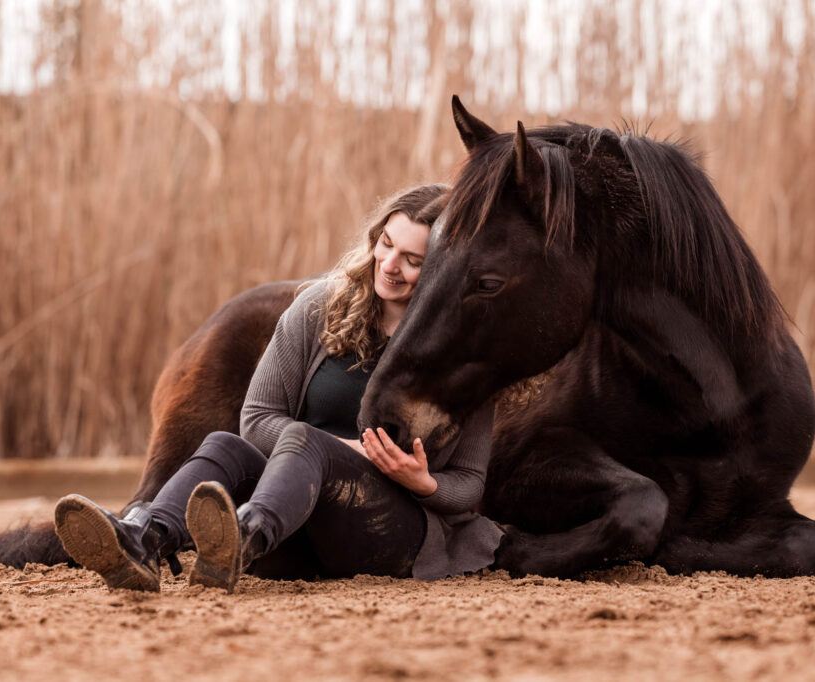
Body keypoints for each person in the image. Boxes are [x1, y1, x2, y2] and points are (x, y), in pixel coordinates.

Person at [53, 183, 503, 592]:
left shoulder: (466, 349)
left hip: (392, 528)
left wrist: (422, 481)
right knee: (225, 445)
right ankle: (143, 536)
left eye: (413, 260)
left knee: (305, 439)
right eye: (386, 244)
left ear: (444, 268)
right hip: (297, 513)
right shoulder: (319, 307)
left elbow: (469, 484)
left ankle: (242, 539)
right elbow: (257, 419)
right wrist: (346, 448)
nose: (389, 265)